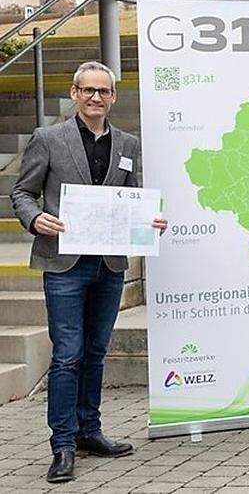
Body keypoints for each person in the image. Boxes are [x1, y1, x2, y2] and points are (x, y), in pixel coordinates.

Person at [11, 61, 167, 484]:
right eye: (87, 90)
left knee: (96, 352)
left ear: (113, 97)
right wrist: (35, 218)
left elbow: (132, 197)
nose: (96, 97)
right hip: (64, 264)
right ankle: (62, 444)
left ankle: (89, 431)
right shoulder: (48, 138)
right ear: (75, 93)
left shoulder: (128, 143)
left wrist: (150, 220)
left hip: (110, 263)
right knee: (68, 355)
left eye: (104, 91)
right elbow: (22, 191)